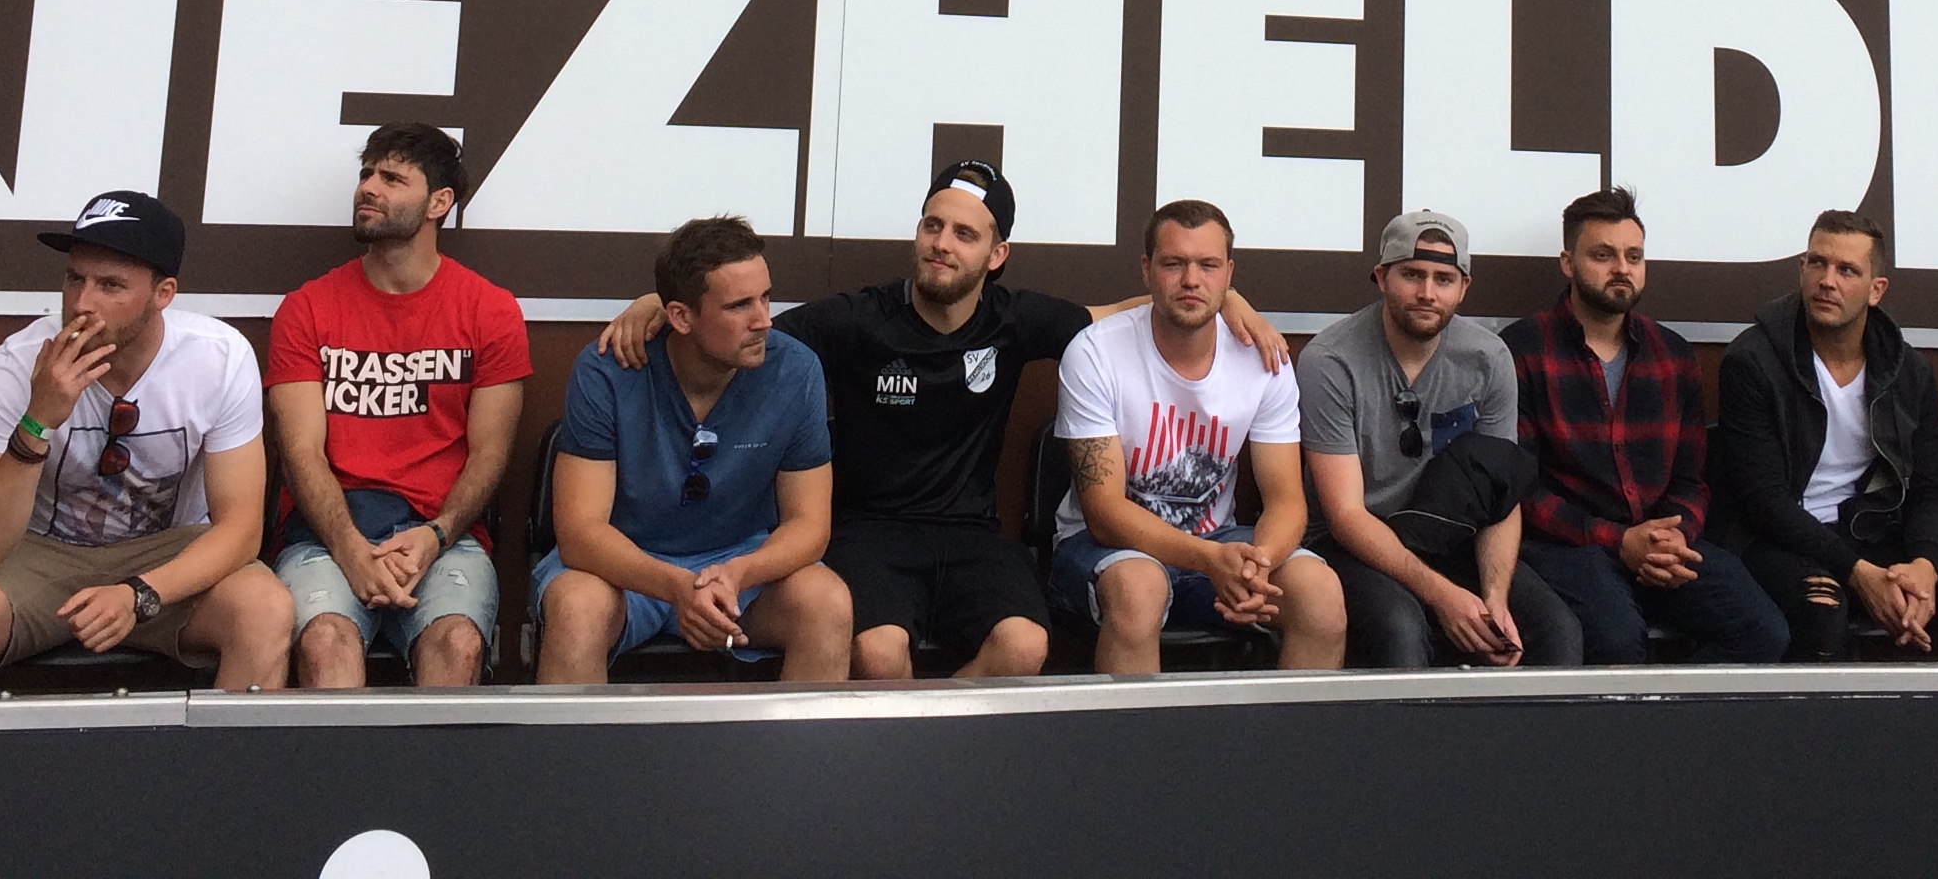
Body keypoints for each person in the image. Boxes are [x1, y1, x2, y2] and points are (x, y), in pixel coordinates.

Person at [599, 160, 1289, 680]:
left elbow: (1144, 306)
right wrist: (651, 302)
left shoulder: (1016, 320)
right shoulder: (857, 319)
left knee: (1025, 647)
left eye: (965, 233)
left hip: (971, 535)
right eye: (933, 225)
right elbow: (744, 326)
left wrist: (1233, 303)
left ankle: (942, 731)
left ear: (996, 256)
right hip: (869, 535)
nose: (942, 243)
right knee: (879, 653)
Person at [0, 190, 291, 696]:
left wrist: (140, 595)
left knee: (265, 608)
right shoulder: (17, 363)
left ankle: (226, 775)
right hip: (39, 555)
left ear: (163, 294)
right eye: (74, 279)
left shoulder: (218, 358)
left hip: (163, 558)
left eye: (111, 285)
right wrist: (37, 420)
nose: (82, 304)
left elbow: (241, 531)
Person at [266, 124, 531, 689]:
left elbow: (490, 452)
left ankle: (433, 782)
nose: (369, 188)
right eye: (366, 175)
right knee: (324, 643)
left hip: (443, 533)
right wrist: (349, 548)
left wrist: (436, 535)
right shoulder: (306, 308)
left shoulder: (491, 310)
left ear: (439, 203)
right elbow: (301, 451)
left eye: (391, 178)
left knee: (457, 644)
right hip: (325, 533)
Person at [535, 216, 851, 683]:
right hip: (627, 569)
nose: (763, 319)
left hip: (739, 566)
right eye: (739, 305)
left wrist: (737, 573)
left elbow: (810, 526)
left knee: (828, 603)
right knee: (576, 607)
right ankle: (574, 758)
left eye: (765, 297)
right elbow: (581, 533)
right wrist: (677, 587)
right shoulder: (607, 369)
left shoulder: (796, 370)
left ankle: (800, 759)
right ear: (680, 316)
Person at [1051, 199, 1345, 674]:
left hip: (1219, 544)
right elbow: (1103, 513)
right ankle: (1132, 749)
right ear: (1147, 270)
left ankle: (1291, 749)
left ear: (1229, 274)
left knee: (1320, 595)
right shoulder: (1096, 353)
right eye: (1174, 264)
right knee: (1139, 590)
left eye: (1208, 265)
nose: (1192, 280)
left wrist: (1259, 567)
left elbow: (1287, 499)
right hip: (1105, 549)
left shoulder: (1262, 358)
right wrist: (1211, 560)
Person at [1502, 186, 1789, 666]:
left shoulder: (1672, 354)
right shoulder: (1521, 350)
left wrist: (1672, 537)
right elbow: (1521, 492)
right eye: (1603, 255)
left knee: (1763, 631)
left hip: (1661, 546)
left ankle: (1674, 735)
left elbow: (1690, 479)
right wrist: (1620, 542)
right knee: (1617, 643)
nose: (1622, 268)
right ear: (1568, 264)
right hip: (1567, 549)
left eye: (1633, 256)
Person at [1297, 209, 1582, 669]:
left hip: (1452, 538)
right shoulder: (1331, 360)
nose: (1427, 293)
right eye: (1412, 275)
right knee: (1401, 628)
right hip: (1350, 544)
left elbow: (1500, 498)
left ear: (1464, 287)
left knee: (1555, 630)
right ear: (1381, 277)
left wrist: (1494, 597)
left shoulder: (1489, 358)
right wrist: (1443, 595)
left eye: (1443, 279)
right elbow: (1345, 514)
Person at [1710, 211, 1938, 661]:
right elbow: (1762, 501)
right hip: (1774, 540)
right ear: (1800, 269)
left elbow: (1932, 491)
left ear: (1875, 290)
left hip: (1874, 530)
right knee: (1822, 609)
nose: (1827, 281)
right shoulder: (1752, 360)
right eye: (1817, 264)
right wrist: (1858, 572)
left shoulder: (1908, 370)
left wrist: (1925, 567)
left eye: (1847, 270)